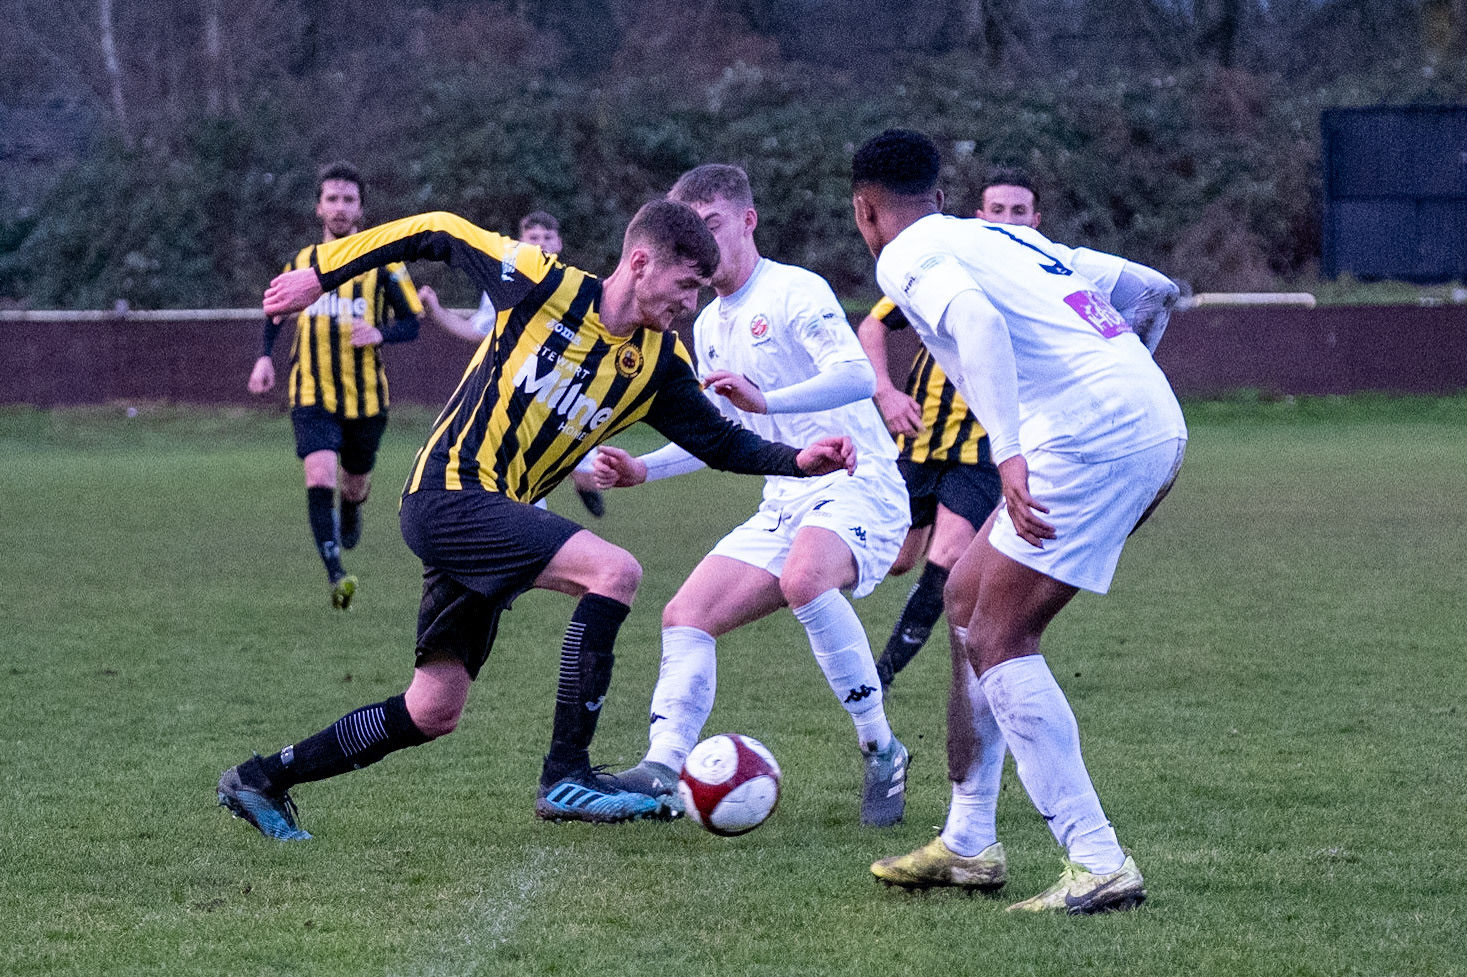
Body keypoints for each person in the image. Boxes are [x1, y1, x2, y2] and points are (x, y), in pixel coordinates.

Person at [216, 200, 857, 840]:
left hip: (492, 516)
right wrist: (323, 274)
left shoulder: (660, 365)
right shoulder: (541, 282)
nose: (691, 304)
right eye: (685, 285)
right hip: (449, 490)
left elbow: (720, 441)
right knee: (615, 571)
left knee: (433, 707)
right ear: (640, 263)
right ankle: (566, 776)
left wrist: (799, 459)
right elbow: (438, 229)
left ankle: (262, 778)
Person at [851, 129, 1185, 913]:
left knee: (999, 634)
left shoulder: (903, 254)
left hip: (1088, 438)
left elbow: (977, 324)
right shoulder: (998, 234)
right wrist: (1126, 384)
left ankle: (1096, 859)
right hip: (1139, 422)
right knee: (965, 601)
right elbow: (1151, 289)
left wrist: (1009, 450)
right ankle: (968, 842)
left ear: (866, 209)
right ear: (939, 196)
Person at [597, 164, 912, 827]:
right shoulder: (707, 322)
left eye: (710, 225)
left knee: (805, 579)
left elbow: (855, 375)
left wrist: (767, 398)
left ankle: (880, 746)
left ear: (746, 220)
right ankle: (661, 769)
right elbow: (726, 431)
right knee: (685, 614)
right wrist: (642, 471)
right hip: (786, 499)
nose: (701, 247)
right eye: (688, 233)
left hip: (860, 486)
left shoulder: (795, 290)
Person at [247, 161, 423, 611]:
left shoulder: (385, 265)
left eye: (348, 200)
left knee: (354, 483)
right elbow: (274, 312)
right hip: (310, 391)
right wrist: (265, 356)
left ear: (361, 207)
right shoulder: (299, 264)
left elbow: (412, 323)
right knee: (319, 473)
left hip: (366, 398)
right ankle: (336, 573)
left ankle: (352, 507)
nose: (340, 208)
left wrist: (380, 333)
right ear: (318, 206)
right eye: (332, 199)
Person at [417, 211, 607, 519]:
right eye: (534, 238)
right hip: (518, 394)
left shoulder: (577, 285)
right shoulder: (506, 283)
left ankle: (580, 485)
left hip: (564, 394)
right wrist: (436, 309)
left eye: (548, 237)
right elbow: (475, 332)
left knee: (588, 477)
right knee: (520, 484)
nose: (542, 244)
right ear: (521, 242)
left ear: (558, 243)